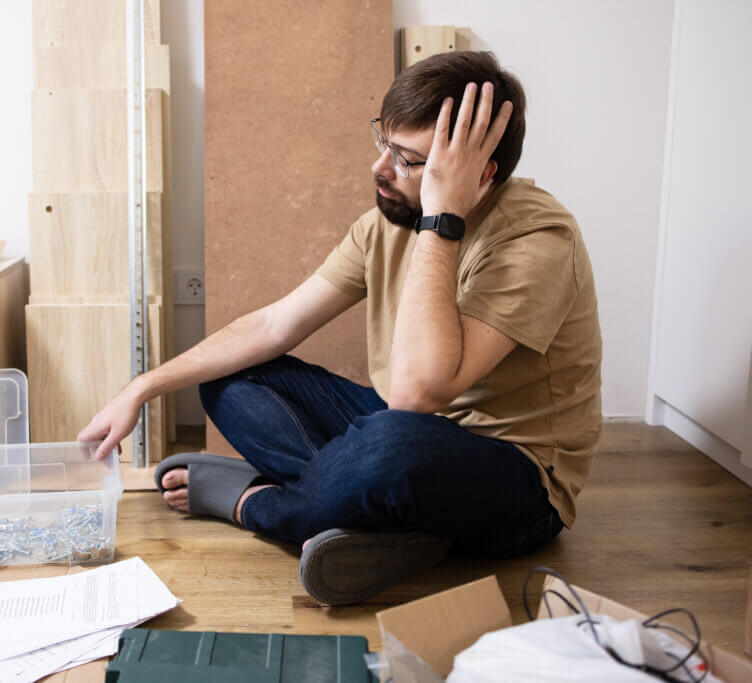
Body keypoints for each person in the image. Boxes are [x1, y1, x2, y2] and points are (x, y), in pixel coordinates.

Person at [78, 51, 602, 606]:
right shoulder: (386, 221)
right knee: (232, 379)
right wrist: (141, 388)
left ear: (480, 174)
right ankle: (383, 521)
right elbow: (274, 324)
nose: (379, 169)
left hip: (515, 481)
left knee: (390, 444)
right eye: (385, 143)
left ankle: (259, 505)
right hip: (404, 431)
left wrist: (441, 219)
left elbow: (415, 394)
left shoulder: (539, 242)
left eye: (408, 160)